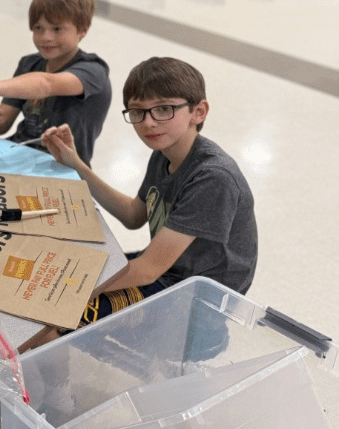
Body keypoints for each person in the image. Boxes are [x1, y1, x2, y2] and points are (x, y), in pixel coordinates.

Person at [27, 56, 257, 347]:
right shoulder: (164, 153)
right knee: (53, 285)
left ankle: (60, 393)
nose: (148, 123)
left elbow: (148, 269)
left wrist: (72, 288)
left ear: (198, 112)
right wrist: (77, 165)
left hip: (195, 309)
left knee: (49, 321)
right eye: (138, 111)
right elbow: (134, 215)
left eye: (164, 109)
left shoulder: (214, 178)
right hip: (169, 275)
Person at [0, 0, 110, 164]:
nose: (46, 37)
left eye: (57, 29)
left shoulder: (93, 70)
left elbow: (46, 84)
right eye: (38, 28)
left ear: (82, 31)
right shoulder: (29, 64)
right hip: (19, 154)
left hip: (63, 167)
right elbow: (3, 124)